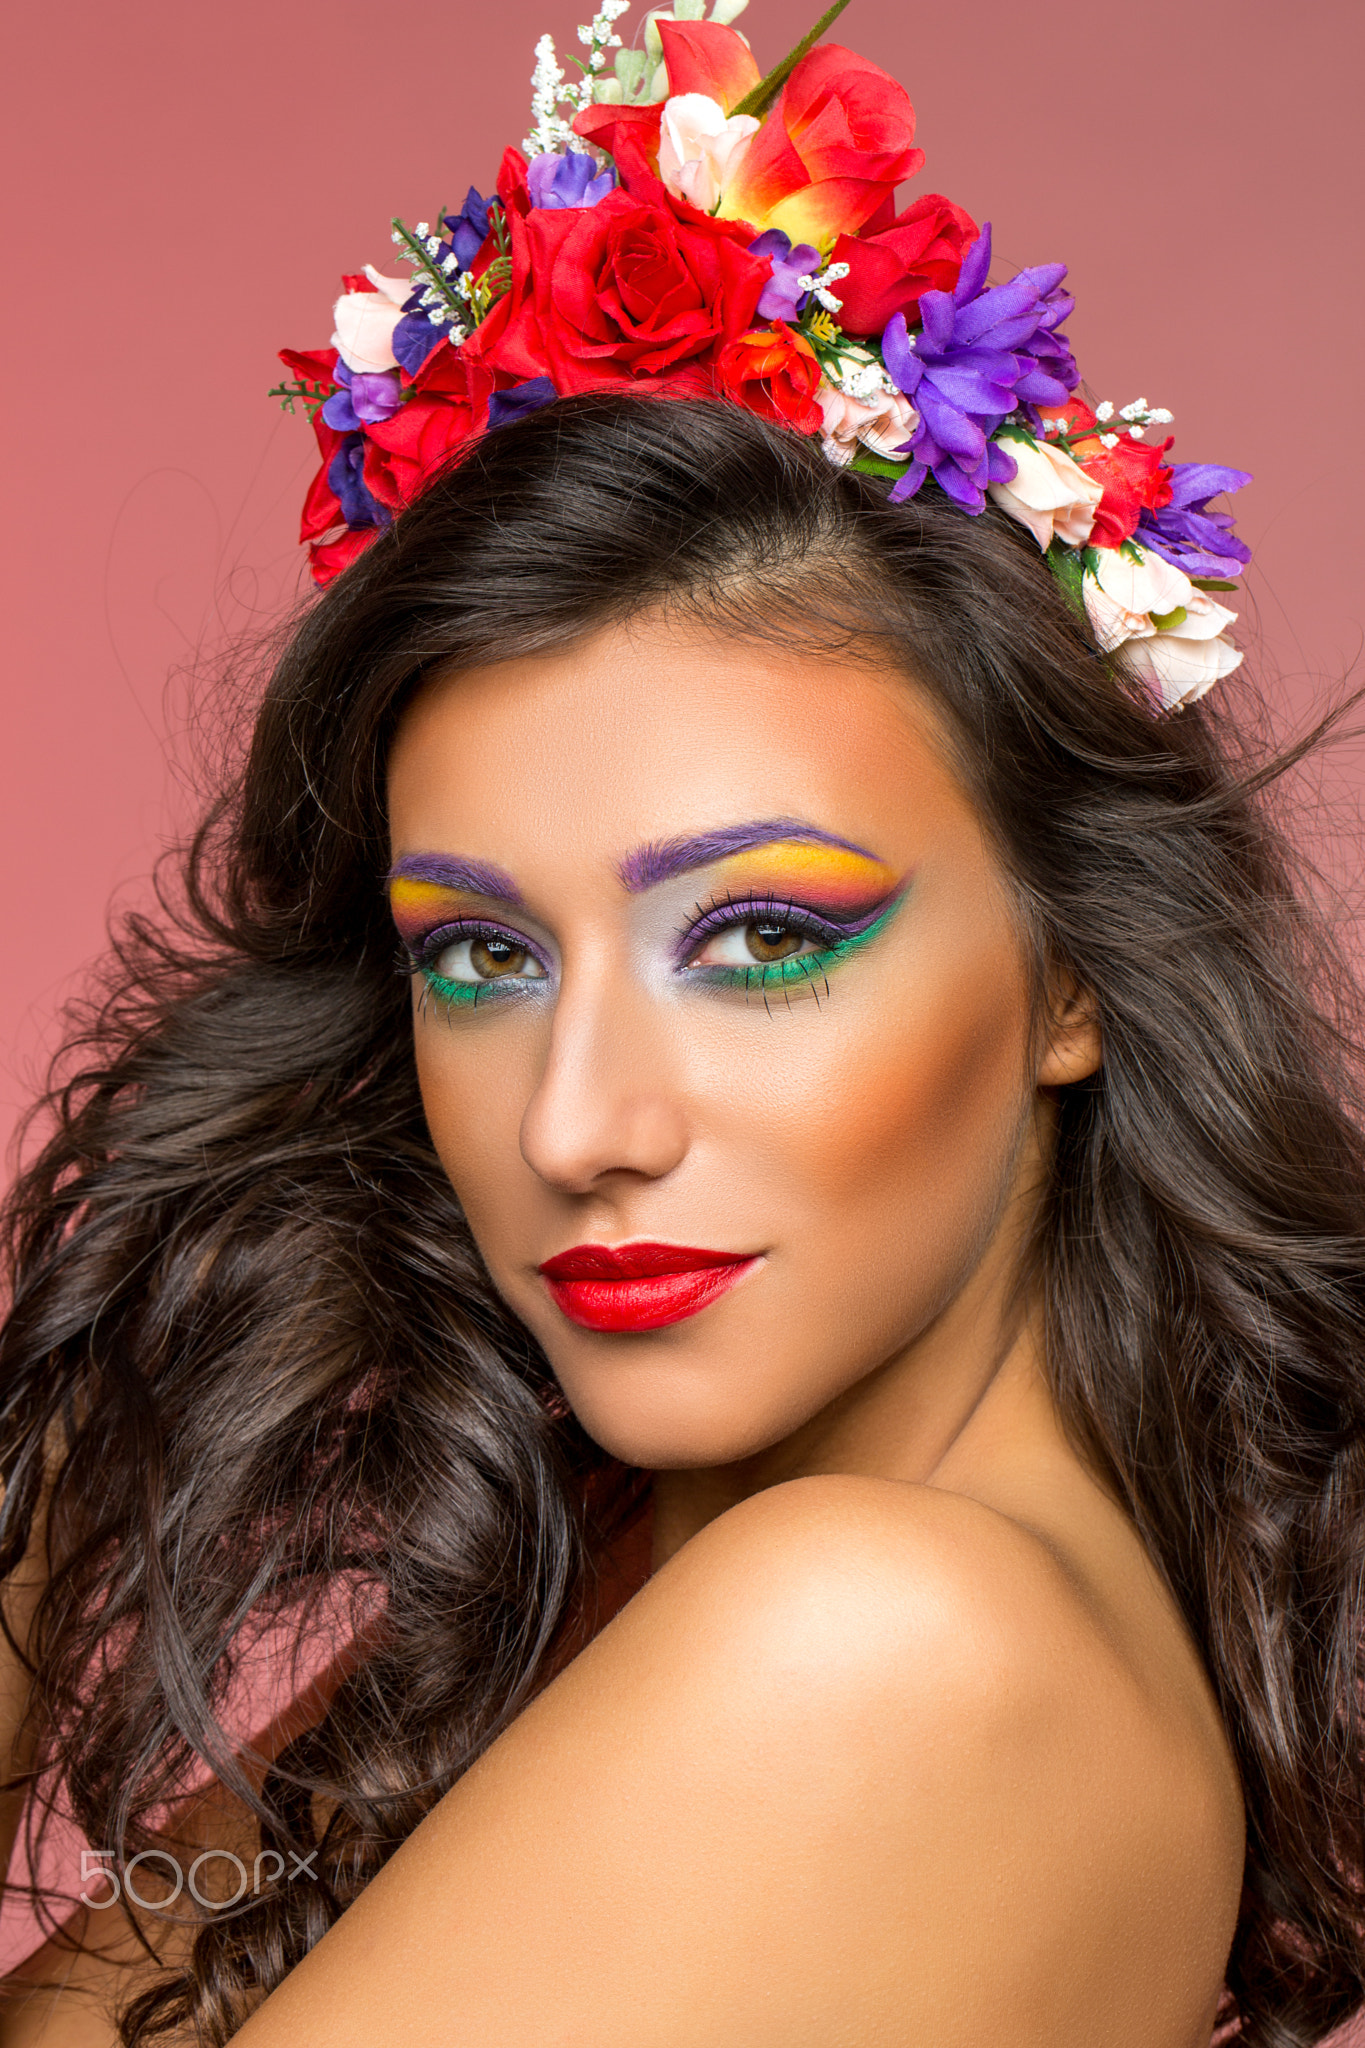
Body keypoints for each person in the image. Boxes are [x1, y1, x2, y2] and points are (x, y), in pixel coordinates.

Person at [3, 7, 1365, 2046]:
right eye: (478, 955)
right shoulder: (644, 1571)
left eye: (750, 935)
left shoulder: (878, 1645)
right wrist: (108, 1336)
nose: (578, 1121)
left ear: (1067, 971)